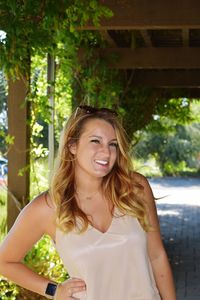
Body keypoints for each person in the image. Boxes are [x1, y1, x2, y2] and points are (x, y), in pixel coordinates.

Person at [0, 105, 176, 300]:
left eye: (113, 144)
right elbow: (4, 261)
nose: (106, 152)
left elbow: (157, 256)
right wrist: (54, 290)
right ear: (72, 146)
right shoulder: (48, 208)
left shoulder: (134, 188)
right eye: (95, 141)